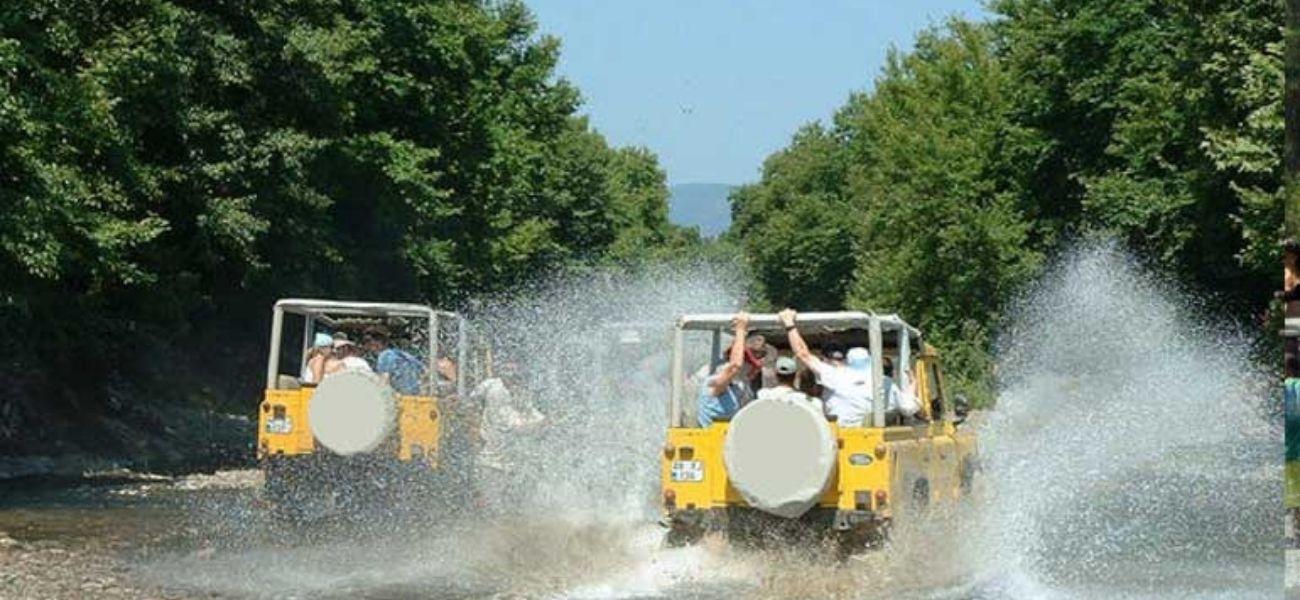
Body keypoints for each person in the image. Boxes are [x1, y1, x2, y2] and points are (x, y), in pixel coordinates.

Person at [780, 308, 875, 426]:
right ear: (845, 358)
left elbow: (802, 354)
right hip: (867, 429)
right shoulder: (870, 376)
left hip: (843, 431)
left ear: (824, 359)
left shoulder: (832, 374)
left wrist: (789, 324)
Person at [697, 312, 751, 427]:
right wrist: (740, 329)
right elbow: (735, 366)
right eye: (747, 364)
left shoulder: (735, 388)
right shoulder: (713, 385)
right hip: (712, 440)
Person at [364, 330, 425, 395]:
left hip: (403, 398)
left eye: (368, 344)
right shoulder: (401, 354)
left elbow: (384, 381)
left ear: (375, 344)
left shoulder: (384, 356)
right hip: (416, 396)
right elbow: (424, 371)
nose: (367, 348)